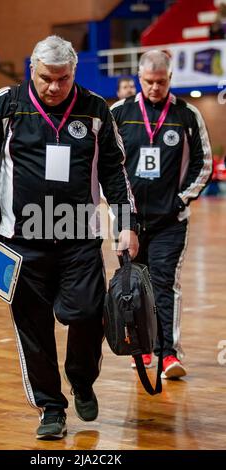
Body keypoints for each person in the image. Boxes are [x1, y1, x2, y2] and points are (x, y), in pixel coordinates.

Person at [0, 35, 138, 439]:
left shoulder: (95, 110)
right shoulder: (6, 104)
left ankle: (81, 378)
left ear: (74, 72)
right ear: (32, 71)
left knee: (88, 314)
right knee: (34, 330)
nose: (55, 87)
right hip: (21, 243)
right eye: (46, 79)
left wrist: (127, 223)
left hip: (78, 237)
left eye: (63, 78)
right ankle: (50, 409)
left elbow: (115, 171)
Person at [111, 50, 212, 380]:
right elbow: (109, 167)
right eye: (149, 82)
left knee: (165, 284)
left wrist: (180, 201)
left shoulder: (187, 115)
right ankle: (140, 347)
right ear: (139, 78)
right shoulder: (120, 114)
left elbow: (204, 163)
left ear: (171, 79)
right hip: (130, 222)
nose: (155, 88)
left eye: (162, 82)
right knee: (134, 287)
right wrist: (118, 211)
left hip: (171, 221)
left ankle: (168, 354)